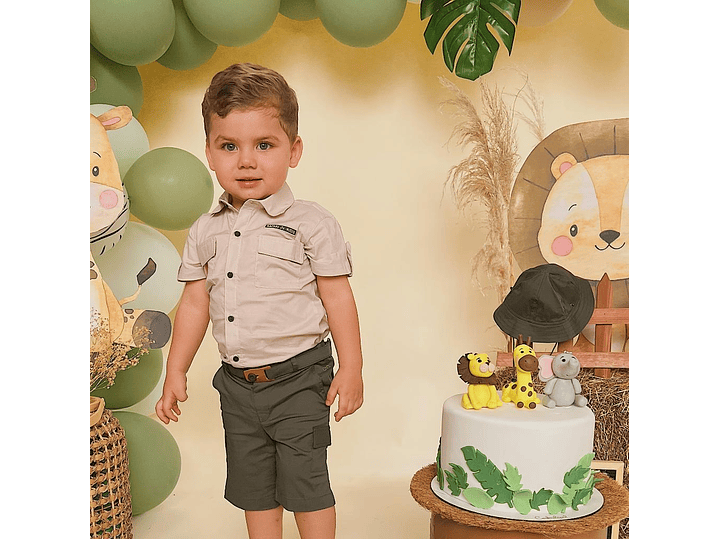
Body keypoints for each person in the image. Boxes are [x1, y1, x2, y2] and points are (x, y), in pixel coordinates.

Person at [156, 63, 364, 539]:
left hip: (300, 379)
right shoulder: (204, 230)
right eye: (229, 146)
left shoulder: (311, 223)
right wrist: (176, 369)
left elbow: (337, 296)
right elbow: (195, 304)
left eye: (264, 145)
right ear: (209, 153)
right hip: (237, 386)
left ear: (294, 150)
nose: (246, 161)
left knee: (306, 484)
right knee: (255, 490)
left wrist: (351, 367)